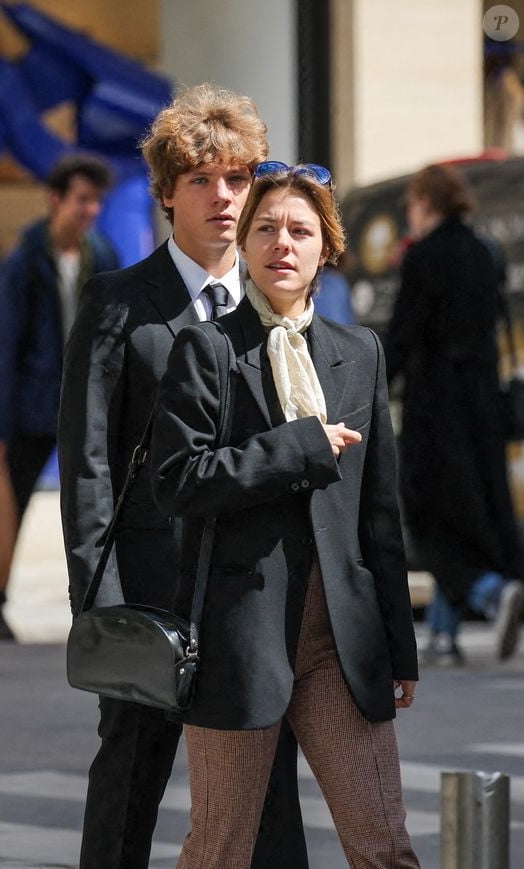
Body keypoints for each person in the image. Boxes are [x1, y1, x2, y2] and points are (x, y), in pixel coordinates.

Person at [58, 86, 310, 869]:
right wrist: (99, 604)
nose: (225, 198)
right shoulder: (117, 303)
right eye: (203, 180)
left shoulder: (278, 305)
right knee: (130, 788)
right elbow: (88, 460)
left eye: (238, 179)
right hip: (148, 591)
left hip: (251, 599)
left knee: (266, 801)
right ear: (168, 194)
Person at [151, 161, 420, 869]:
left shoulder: (359, 353)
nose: (282, 244)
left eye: (300, 230)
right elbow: (178, 481)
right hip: (240, 641)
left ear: (325, 246)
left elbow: (378, 516)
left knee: (385, 846)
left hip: (340, 642)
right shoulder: (208, 349)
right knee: (220, 850)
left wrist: (399, 642)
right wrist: (297, 447)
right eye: (265, 228)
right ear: (243, 243)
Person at [385, 163, 524, 665]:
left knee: (428, 516)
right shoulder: (485, 252)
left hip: (435, 407)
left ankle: (489, 592)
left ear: (425, 203)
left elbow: (403, 334)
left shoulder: (426, 257)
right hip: (483, 405)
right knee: (468, 512)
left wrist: (369, 386)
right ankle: (444, 636)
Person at [0, 153, 118, 641]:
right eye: (83, 199)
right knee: (9, 507)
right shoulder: (23, 262)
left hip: (85, 406)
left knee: (93, 508)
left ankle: (96, 607)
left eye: (97, 200)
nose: (91, 210)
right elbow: (2, 349)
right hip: (31, 409)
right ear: (56, 200)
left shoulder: (101, 256)